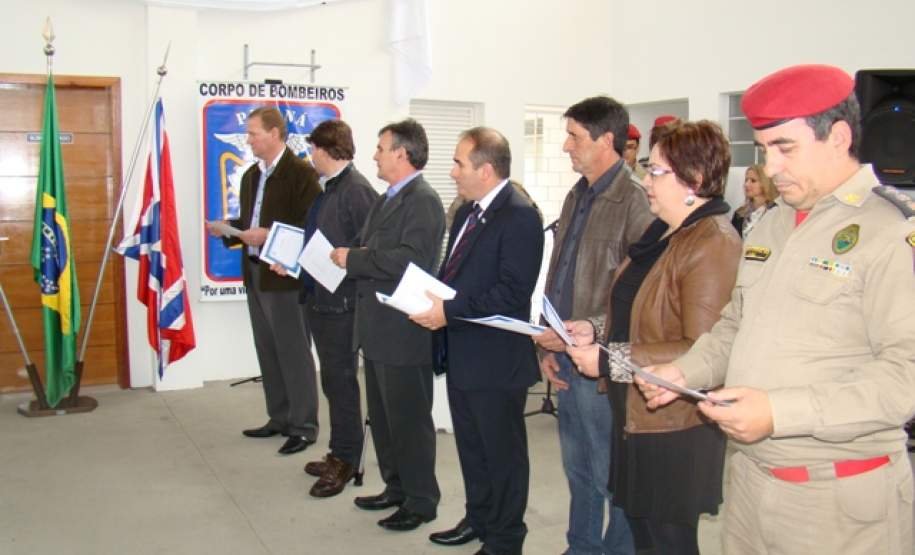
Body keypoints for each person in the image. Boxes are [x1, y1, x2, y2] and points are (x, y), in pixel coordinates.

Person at [639, 64, 915, 554]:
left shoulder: (892, 231)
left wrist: (779, 412)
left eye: (785, 148)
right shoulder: (772, 223)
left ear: (838, 137)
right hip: (750, 481)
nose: (770, 168)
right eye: (764, 149)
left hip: (837, 500)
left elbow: (904, 376)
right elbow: (735, 324)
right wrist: (687, 371)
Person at [567, 120, 741, 555]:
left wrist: (607, 359)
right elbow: (639, 311)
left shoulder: (713, 242)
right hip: (636, 411)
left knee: (667, 541)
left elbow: (701, 346)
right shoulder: (663, 232)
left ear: (694, 179)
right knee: (643, 534)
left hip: (674, 423)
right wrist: (595, 328)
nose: (645, 180)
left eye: (657, 172)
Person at [411, 127, 543, 555]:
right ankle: (480, 518)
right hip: (465, 353)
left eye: (459, 164)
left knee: (502, 456)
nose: (452, 172)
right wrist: (428, 297)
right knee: (472, 448)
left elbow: (512, 292)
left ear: (485, 170)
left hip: (496, 362)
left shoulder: (520, 216)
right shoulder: (470, 211)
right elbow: (456, 275)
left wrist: (447, 312)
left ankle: (505, 540)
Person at [532, 96, 653, 555]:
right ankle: (581, 547)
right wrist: (545, 344)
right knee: (578, 469)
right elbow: (559, 273)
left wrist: (595, 335)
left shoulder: (635, 200)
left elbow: (645, 294)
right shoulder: (577, 194)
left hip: (603, 362)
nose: (566, 146)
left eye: (574, 137)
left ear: (606, 141)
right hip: (566, 352)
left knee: (611, 474)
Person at [330, 118, 445, 532]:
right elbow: (373, 248)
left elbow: (410, 260)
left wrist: (354, 258)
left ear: (402, 153)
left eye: (381, 148)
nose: (375, 156)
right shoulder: (387, 198)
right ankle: (396, 488)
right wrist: (351, 254)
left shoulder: (423, 200)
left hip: (404, 330)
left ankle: (421, 501)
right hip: (378, 328)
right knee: (383, 419)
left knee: (409, 423)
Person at [271, 119, 378, 497]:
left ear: (327, 149)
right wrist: (295, 262)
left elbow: (368, 251)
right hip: (322, 300)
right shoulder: (330, 187)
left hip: (342, 306)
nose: (309, 156)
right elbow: (322, 241)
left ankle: (346, 461)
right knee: (333, 382)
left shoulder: (357, 191)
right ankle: (337, 452)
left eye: (312, 149)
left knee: (341, 383)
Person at [206, 106, 321, 455]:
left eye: (253, 133)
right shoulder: (251, 176)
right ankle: (280, 418)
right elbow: (250, 221)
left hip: (285, 276)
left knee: (293, 351)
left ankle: (304, 426)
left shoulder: (302, 174)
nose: (248, 140)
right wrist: (229, 229)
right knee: (268, 348)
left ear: (274, 133)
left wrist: (268, 234)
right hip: (255, 272)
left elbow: (312, 227)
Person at [730, 163, 777, 237]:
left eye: (753, 181)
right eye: (746, 180)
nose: (746, 184)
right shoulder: (739, 214)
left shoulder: (776, 212)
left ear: (765, 183)